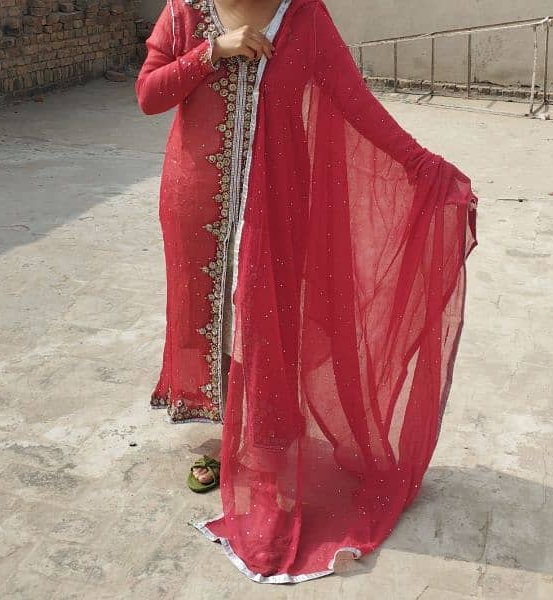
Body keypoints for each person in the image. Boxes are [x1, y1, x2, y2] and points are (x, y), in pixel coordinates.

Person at [135, 0, 478, 583]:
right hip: (196, 200)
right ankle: (223, 434)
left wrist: (427, 169)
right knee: (204, 316)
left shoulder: (304, 17)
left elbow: (357, 106)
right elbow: (149, 95)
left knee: (269, 323)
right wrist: (211, 52)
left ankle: (261, 444)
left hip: (278, 208)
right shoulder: (184, 12)